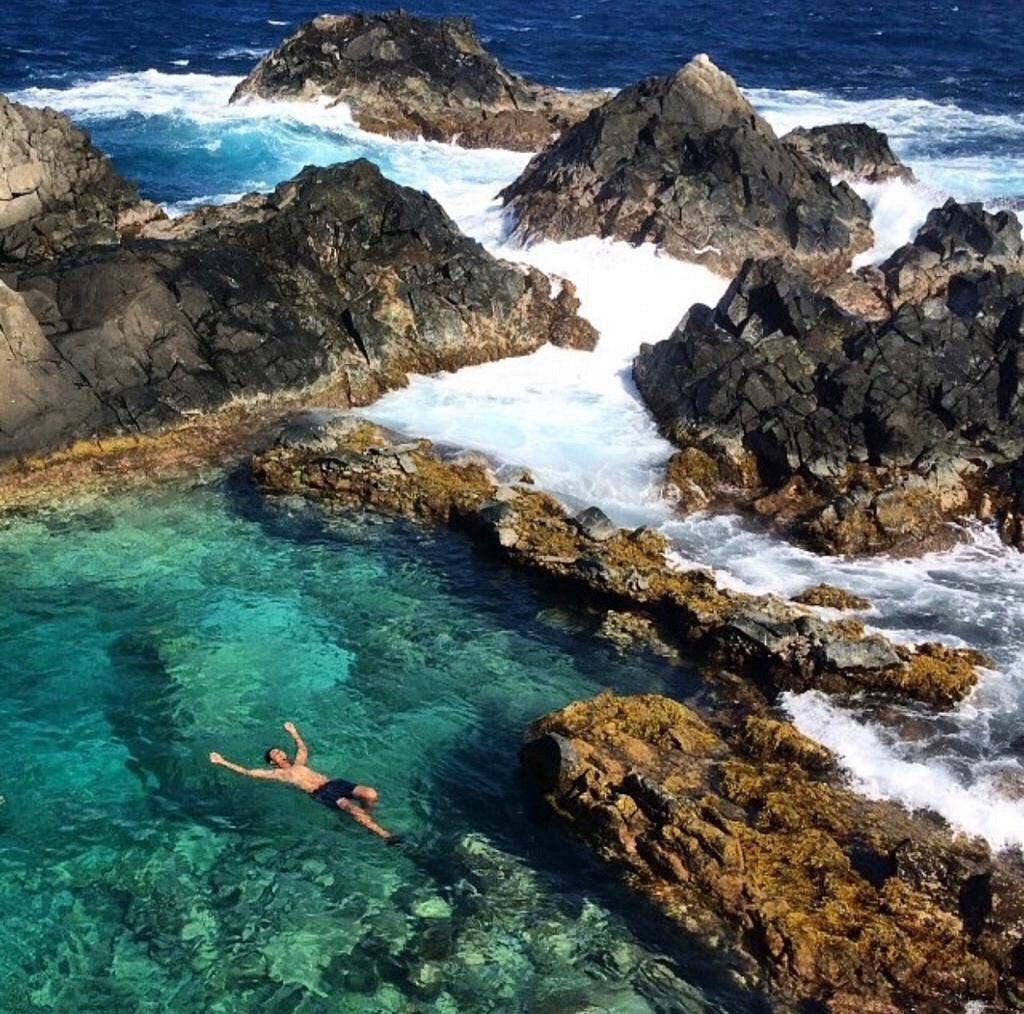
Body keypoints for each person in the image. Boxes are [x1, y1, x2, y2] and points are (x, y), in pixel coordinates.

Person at [209, 721, 401, 843]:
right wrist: (222, 761)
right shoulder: (277, 774)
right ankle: (384, 835)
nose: (279, 752)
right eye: (275, 753)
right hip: (321, 794)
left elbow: (302, 749)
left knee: (370, 794)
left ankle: (366, 816)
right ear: (271, 762)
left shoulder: (298, 763)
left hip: (334, 783)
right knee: (350, 808)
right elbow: (247, 772)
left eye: (279, 750)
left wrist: (293, 732)